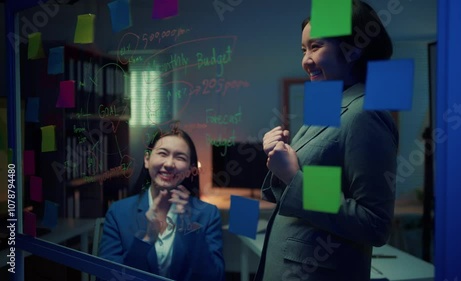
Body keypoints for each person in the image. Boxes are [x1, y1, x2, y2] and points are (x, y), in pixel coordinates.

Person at [254, 1, 399, 280]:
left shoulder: (365, 114)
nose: (305, 60)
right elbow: (313, 190)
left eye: (315, 46)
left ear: (353, 49)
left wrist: (294, 177)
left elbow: (375, 224)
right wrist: (279, 159)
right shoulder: (328, 105)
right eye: (303, 49)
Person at [99, 128, 225, 281]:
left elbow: (214, 278)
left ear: (190, 170)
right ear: (147, 159)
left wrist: (189, 227)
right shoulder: (118, 213)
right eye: (163, 153)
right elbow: (107, 278)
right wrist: (147, 239)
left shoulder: (208, 214)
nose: (170, 164)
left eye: (180, 157)